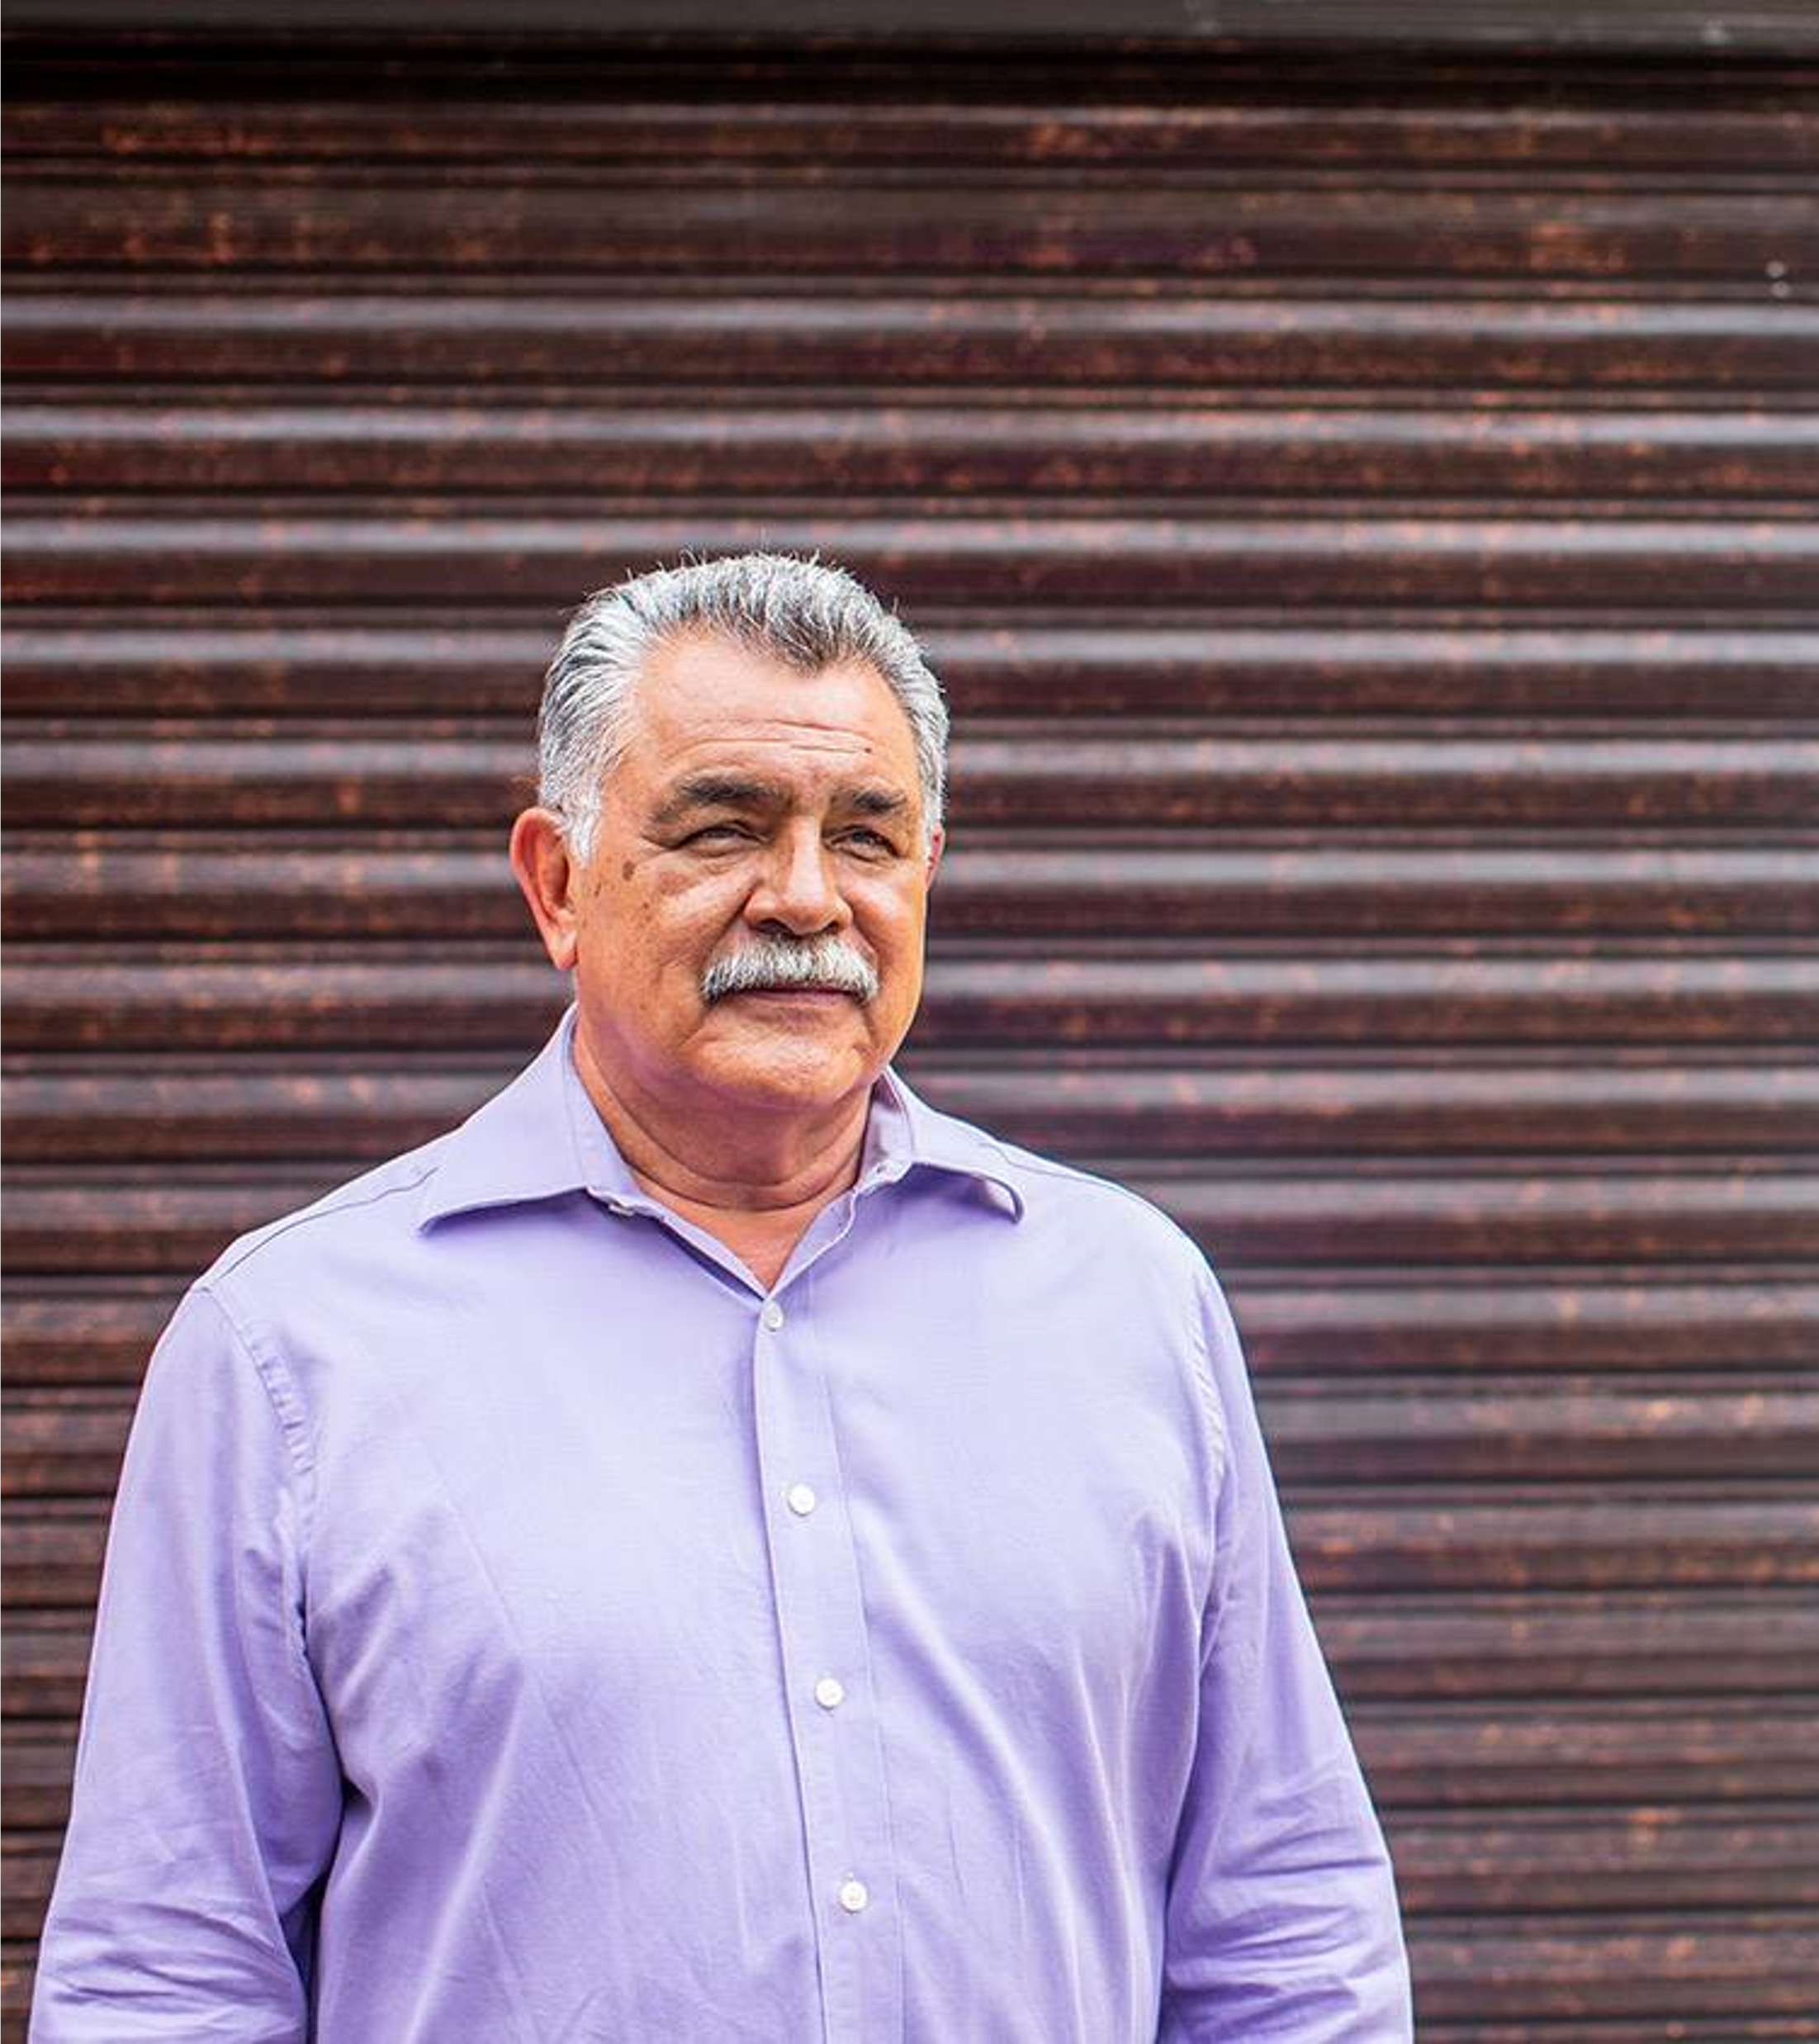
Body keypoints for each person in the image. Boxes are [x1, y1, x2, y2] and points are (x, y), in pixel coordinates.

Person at [29, 554, 1414, 2040]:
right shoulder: (290, 1351)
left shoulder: (1132, 1301)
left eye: (866, 836)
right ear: (559, 884)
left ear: (925, 875)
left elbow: (1282, 1920)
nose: (808, 896)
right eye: (723, 828)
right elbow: (168, 1973)